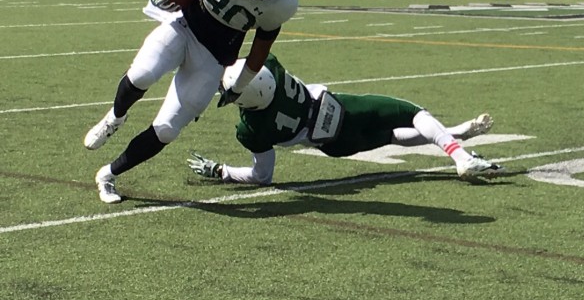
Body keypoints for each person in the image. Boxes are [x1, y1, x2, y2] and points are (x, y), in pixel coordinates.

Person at [83, 0, 298, 204]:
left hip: (213, 57)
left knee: (168, 129)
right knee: (141, 74)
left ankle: (108, 174)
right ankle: (115, 117)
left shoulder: (281, 3)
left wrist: (238, 85)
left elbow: (259, 50)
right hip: (183, 27)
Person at [186, 54, 503, 186]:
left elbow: (262, 176)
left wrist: (222, 171)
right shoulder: (272, 67)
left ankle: (457, 135)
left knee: (391, 136)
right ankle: (460, 155)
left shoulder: (250, 128)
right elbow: (256, 57)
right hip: (343, 108)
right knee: (412, 113)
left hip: (334, 143)